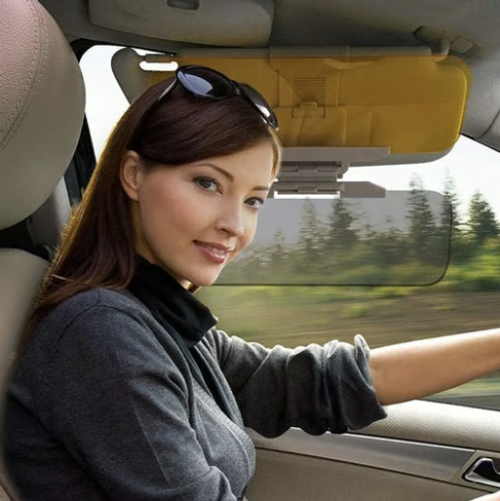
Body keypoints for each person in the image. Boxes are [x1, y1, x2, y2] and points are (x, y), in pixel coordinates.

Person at [3, 65, 500, 501]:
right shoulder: (101, 333)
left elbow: (307, 383)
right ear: (133, 175)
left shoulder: (157, 316)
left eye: (253, 200)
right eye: (207, 183)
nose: (234, 225)